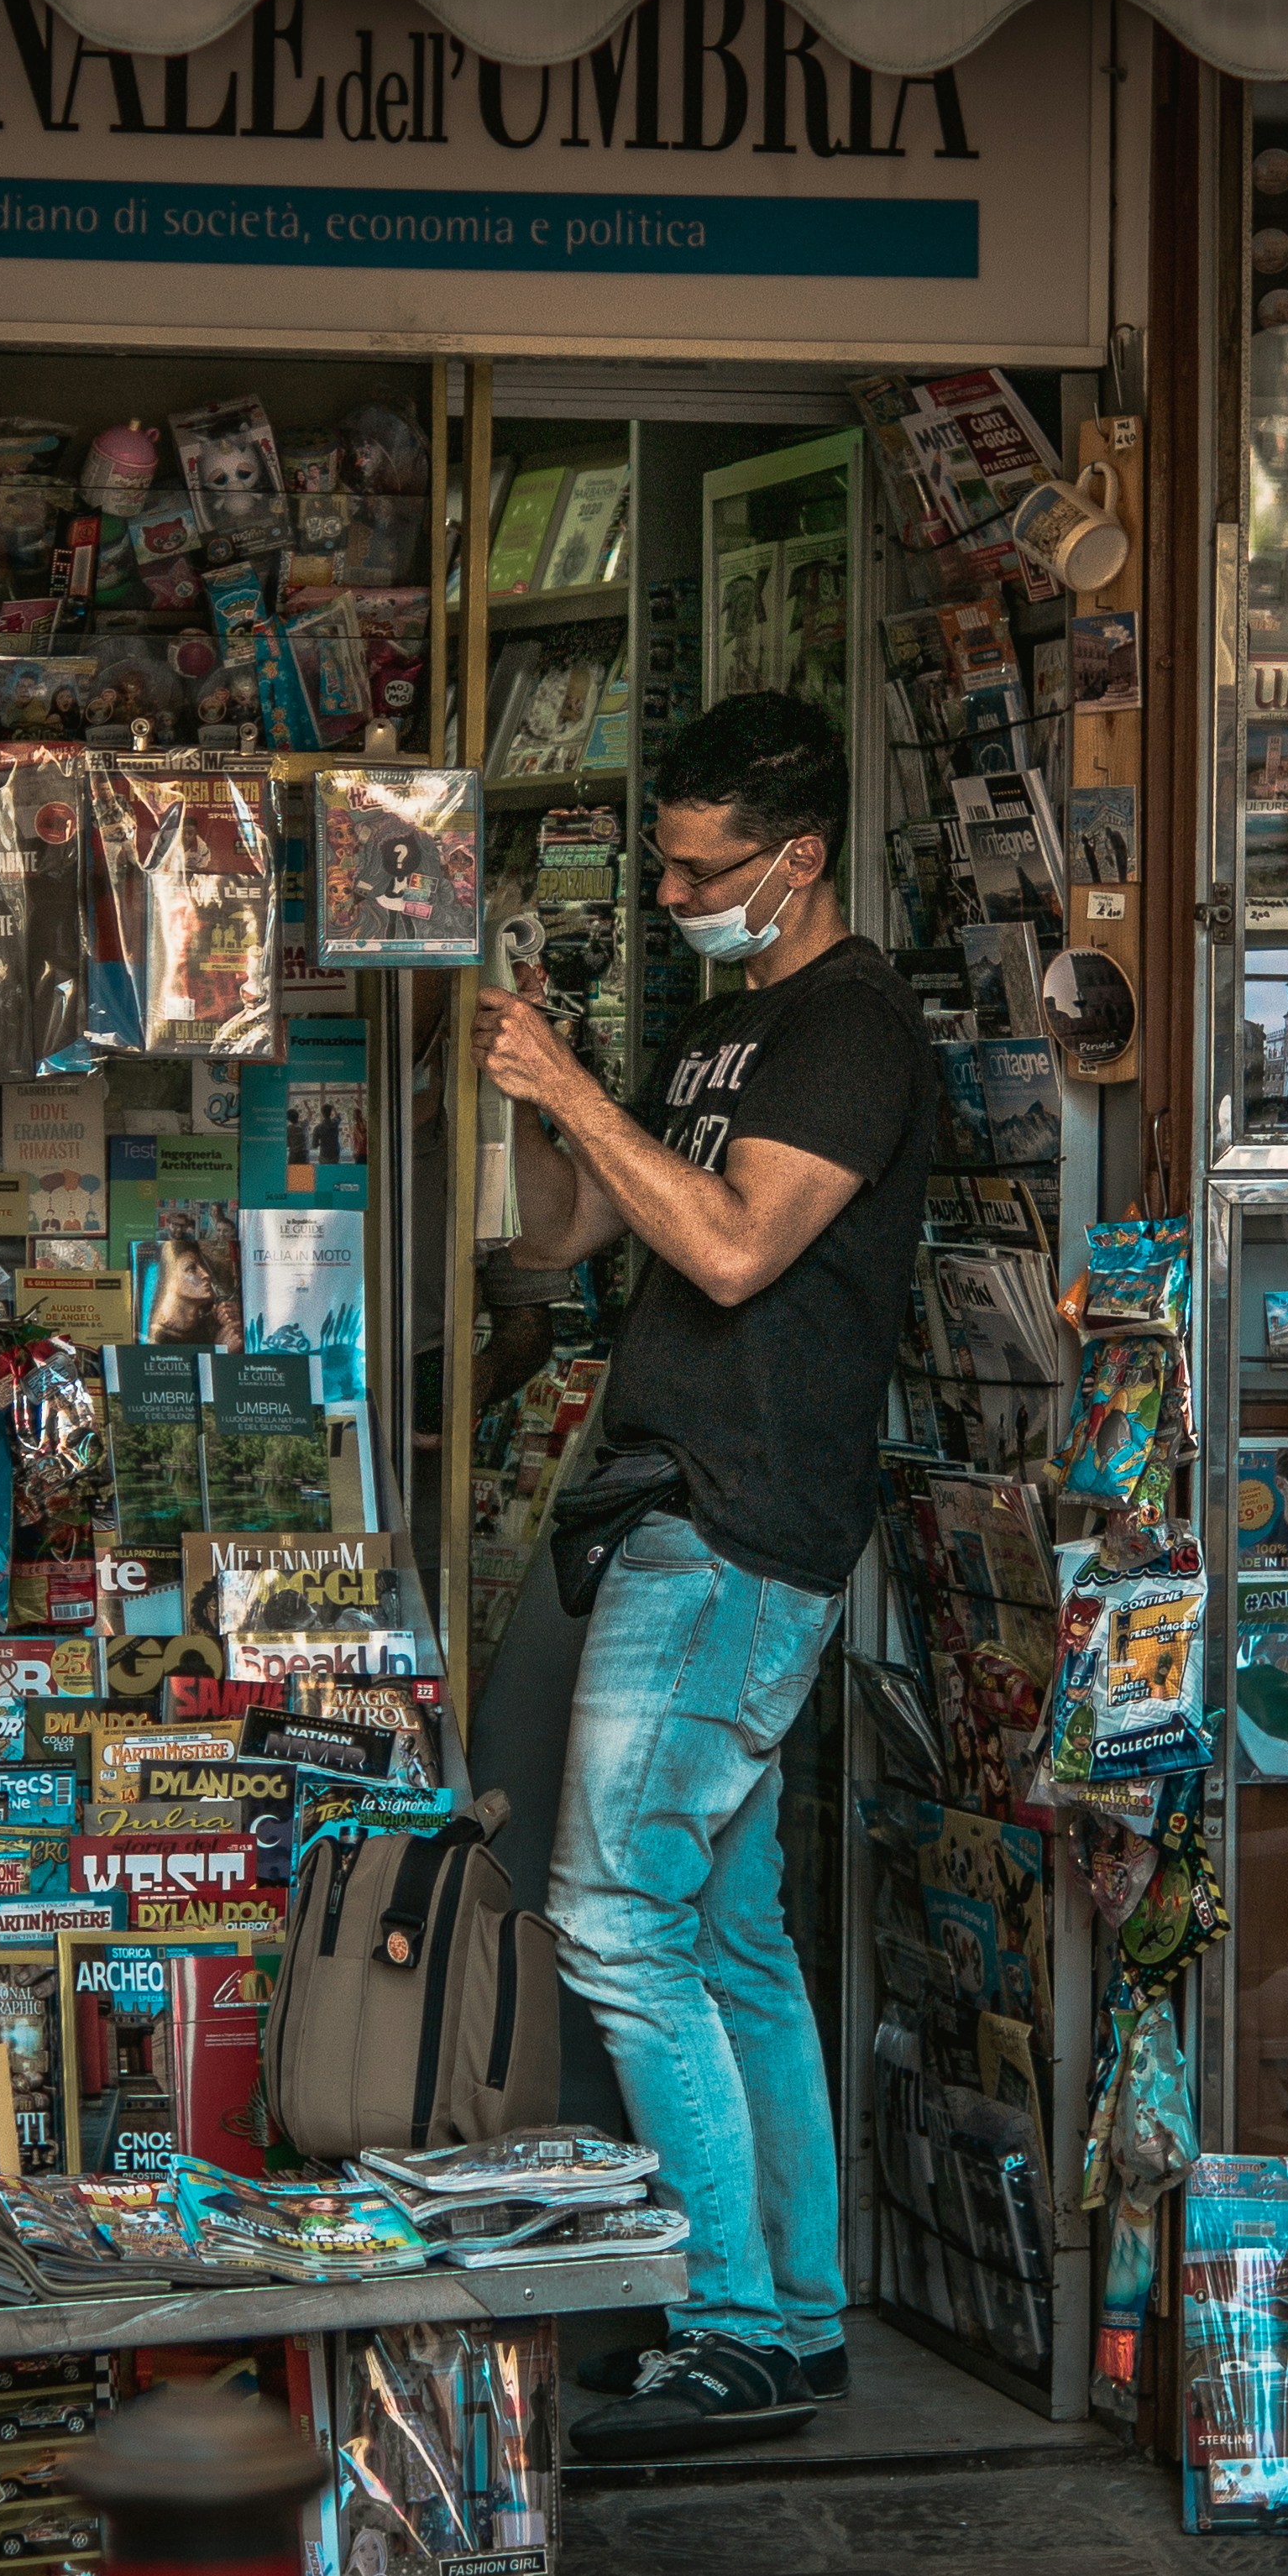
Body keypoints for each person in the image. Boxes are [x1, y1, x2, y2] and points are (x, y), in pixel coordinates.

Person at [471, 693, 935, 2458]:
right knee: (729, 1935)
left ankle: (729, 2318)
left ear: (796, 856)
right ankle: (794, 2314)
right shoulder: (730, 1029)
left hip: (740, 1531)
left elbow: (736, 1246)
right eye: (663, 861)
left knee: (613, 1913)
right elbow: (570, 1234)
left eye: (699, 864)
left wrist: (583, 1087)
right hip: (678, 1510)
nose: (673, 890)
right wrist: (544, 1078)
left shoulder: (849, 1028)